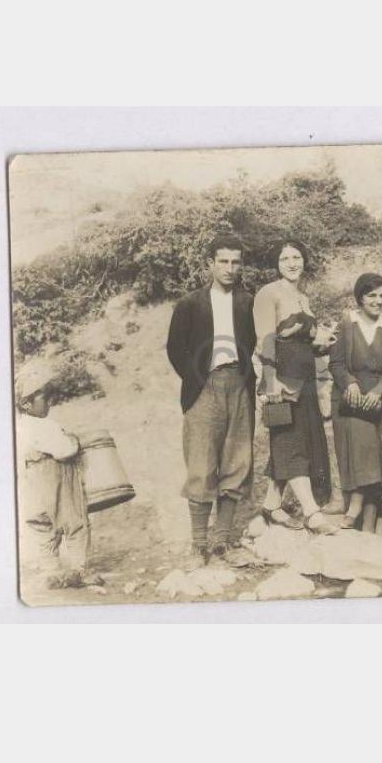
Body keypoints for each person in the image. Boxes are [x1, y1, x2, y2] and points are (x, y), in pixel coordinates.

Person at [166, 234, 258, 565]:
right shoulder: (190, 303)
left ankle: (223, 542)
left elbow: (257, 341)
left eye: (235, 262)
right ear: (210, 264)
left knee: (237, 462)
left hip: (240, 385)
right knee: (202, 464)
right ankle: (198, 545)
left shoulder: (248, 302)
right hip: (205, 386)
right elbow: (175, 349)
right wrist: (197, 379)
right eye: (223, 261)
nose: (229, 268)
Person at [253, 240, 339, 534]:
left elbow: (305, 342)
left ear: (304, 260)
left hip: (306, 376)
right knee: (290, 441)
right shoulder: (268, 293)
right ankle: (312, 512)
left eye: (297, 257)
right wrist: (270, 379)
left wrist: (322, 343)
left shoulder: (303, 296)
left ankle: (271, 506)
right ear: (276, 264)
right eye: (285, 258)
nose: (292, 263)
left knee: (298, 439)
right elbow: (265, 339)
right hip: (281, 376)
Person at [328, 272, 382, 532]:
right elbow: (336, 363)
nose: (378, 301)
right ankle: (356, 507)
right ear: (360, 298)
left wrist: (379, 391)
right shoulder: (346, 325)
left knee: (378, 453)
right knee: (362, 444)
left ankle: (367, 521)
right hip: (351, 399)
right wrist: (350, 383)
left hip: (379, 399)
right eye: (372, 295)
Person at [14, 359, 95, 588]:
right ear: (26, 403)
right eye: (45, 398)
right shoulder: (44, 426)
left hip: (32, 488)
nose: (50, 401)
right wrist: (74, 441)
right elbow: (64, 449)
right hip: (58, 484)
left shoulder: (18, 427)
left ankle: (51, 571)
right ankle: (79, 569)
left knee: (42, 527)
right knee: (75, 522)